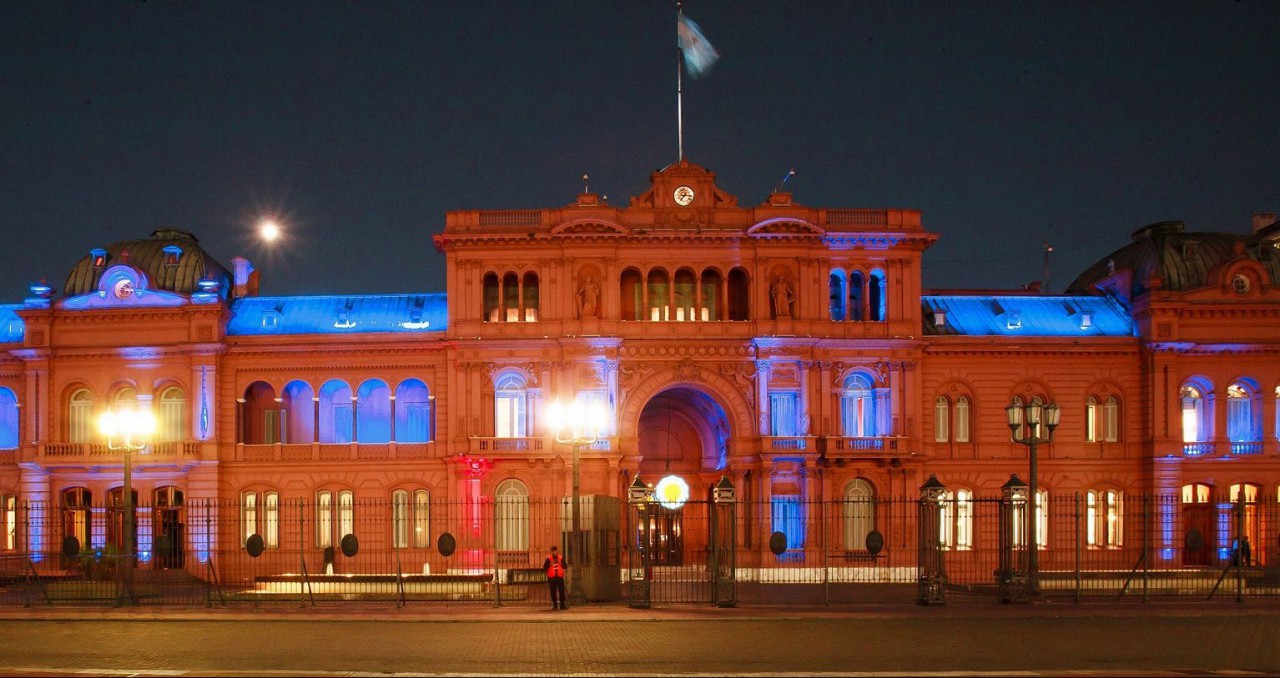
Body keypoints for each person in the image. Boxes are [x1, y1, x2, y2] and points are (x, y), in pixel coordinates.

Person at [543, 545, 567, 610]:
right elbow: (544, 567)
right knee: (553, 592)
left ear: (557, 551)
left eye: (555, 551)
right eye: (553, 551)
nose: (554, 553)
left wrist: (561, 563)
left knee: (562, 591)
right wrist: (549, 564)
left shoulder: (561, 558)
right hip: (552, 577)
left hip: (559, 577)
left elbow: (565, 566)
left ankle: (562, 605)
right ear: (552, 552)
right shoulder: (549, 559)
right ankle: (555, 605)